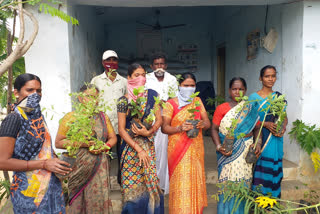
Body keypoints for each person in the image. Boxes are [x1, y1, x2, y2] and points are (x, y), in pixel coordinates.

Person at [0, 73, 70, 213]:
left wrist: (58, 162)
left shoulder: (38, 117)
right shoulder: (13, 120)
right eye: (30, 90)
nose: (35, 95)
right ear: (16, 93)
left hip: (52, 189)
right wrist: (44, 164)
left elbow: (45, 149)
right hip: (29, 194)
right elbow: (2, 162)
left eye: (38, 91)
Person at [55, 84, 117, 213]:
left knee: (99, 198)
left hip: (99, 165)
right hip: (79, 166)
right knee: (78, 200)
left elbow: (113, 138)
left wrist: (103, 147)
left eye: (95, 97)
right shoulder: (71, 117)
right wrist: (83, 143)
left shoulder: (103, 117)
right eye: (89, 97)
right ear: (80, 98)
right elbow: (59, 143)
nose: (93, 100)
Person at [117, 63, 164, 214]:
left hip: (148, 146)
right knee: (132, 187)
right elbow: (121, 130)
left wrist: (148, 132)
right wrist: (138, 149)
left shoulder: (152, 95)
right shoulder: (123, 101)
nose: (141, 78)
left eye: (143, 75)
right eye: (137, 75)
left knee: (150, 184)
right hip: (130, 150)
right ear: (128, 78)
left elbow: (159, 120)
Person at [211, 77, 261, 214]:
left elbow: (257, 128)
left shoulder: (250, 108)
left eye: (241, 89)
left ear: (245, 91)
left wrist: (258, 144)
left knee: (243, 182)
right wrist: (218, 146)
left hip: (245, 150)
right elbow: (214, 129)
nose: (237, 92)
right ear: (229, 90)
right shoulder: (222, 108)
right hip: (227, 150)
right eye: (234, 89)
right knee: (227, 184)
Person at [162, 72, 210, 214]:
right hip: (177, 151)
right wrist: (179, 128)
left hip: (195, 149)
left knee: (193, 182)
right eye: (185, 85)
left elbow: (207, 122)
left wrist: (202, 124)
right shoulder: (170, 104)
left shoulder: (197, 101)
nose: (189, 88)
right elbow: (164, 127)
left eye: (192, 86)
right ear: (179, 86)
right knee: (180, 184)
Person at [250, 65, 288, 198]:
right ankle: (259, 205)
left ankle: (273, 204)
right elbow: (249, 121)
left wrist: (282, 127)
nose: (270, 79)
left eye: (273, 76)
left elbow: (284, 117)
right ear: (261, 78)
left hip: (275, 139)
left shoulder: (279, 98)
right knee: (261, 170)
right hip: (261, 138)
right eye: (267, 76)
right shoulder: (253, 98)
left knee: (274, 170)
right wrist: (265, 124)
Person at [91, 50, 127, 182]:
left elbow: (128, 100)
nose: (111, 63)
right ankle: (103, 181)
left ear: (117, 62)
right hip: (102, 124)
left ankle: (121, 181)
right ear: (102, 63)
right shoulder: (96, 80)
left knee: (121, 154)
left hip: (120, 125)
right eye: (108, 60)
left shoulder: (123, 81)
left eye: (114, 60)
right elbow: (91, 100)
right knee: (103, 154)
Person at [145, 53, 178, 194]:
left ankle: (164, 184)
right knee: (153, 150)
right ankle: (152, 183)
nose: (160, 67)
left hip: (167, 117)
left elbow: (176, 98)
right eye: (157, 64)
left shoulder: (172, 79)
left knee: (165, 151)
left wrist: (166, 103)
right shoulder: (147, 78)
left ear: (166, 65)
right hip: (151, 119)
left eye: (162, 64)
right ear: (152, 66)